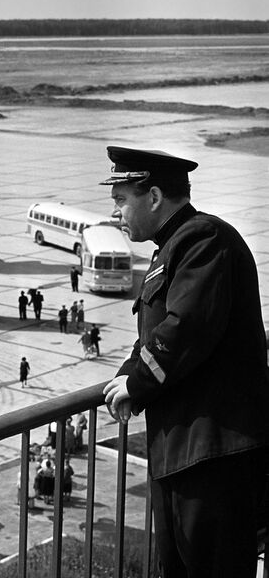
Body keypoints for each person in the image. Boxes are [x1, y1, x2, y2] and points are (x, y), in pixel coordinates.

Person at [100, 146, 269, 577]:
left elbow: (187, 327)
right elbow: (156, 333)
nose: (116, 212)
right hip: (182, 453)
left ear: (155, 197)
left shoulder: (203, 239)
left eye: (121, 200)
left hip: (213, 455)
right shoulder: (172, 247)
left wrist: (137, 383)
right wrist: (126, 377)